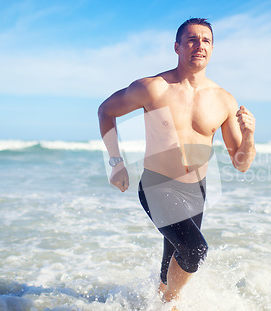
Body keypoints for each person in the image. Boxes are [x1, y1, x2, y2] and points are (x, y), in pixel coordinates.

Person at [98, 18, 256, 304]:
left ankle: (153, 301)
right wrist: (115, 162)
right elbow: (106, 111)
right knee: (195, 251)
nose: (199, 45)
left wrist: (248, 136)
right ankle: (170, 304)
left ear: (213, 48)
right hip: (158, 185)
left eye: (206, 40)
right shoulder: (153, 88)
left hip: (197, 191)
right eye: (192, 39)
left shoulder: (224, 100)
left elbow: (241, 162)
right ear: (177, 46)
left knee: (173, 259)